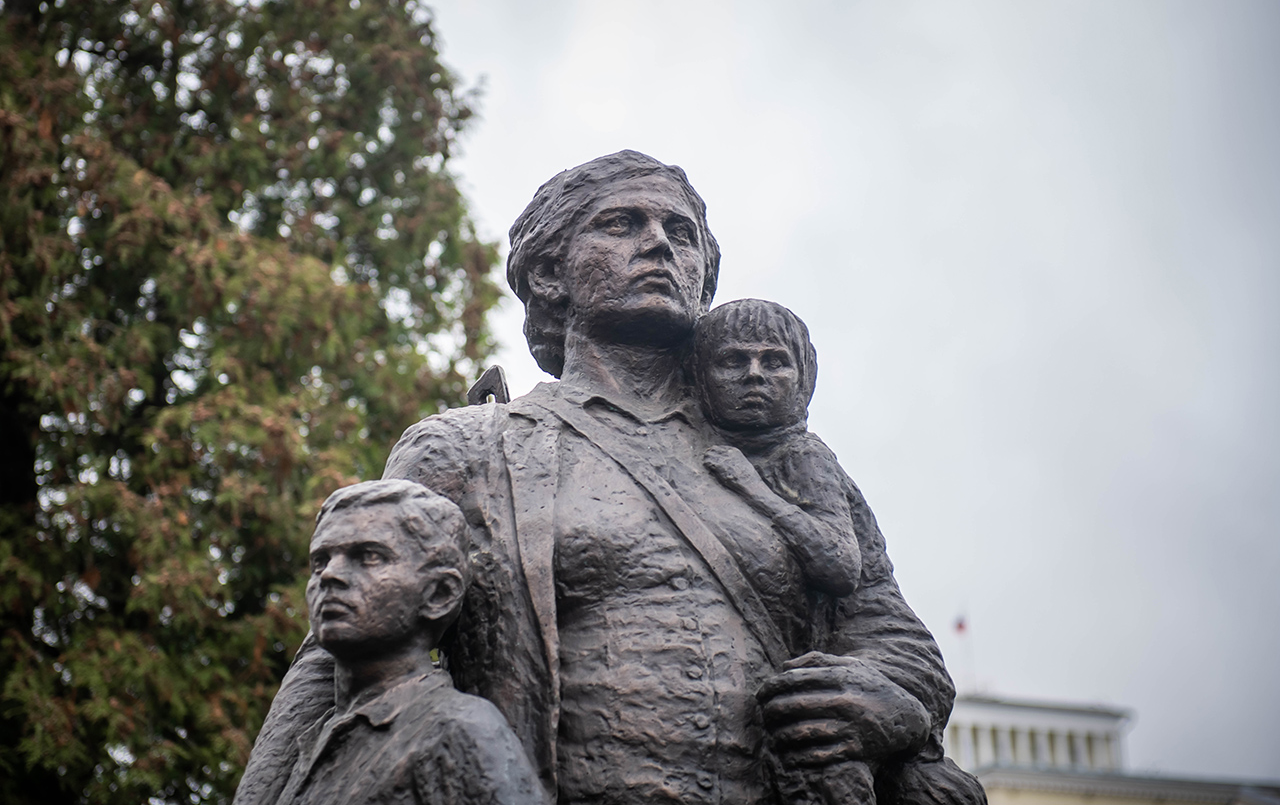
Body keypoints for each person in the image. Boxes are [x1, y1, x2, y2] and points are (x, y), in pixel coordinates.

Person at [235, 150, 984, 805]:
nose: (658, 242)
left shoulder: (788, 455)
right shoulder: (464, 449)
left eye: (680, 233)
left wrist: (883, 699)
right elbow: (338, 658)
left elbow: (894, 636)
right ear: (551, 271)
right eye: (622, 223)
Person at [273, 480, 544, 805]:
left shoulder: (461, 732)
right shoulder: (315, 739)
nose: (330, 574)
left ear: (439, 594)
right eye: (320, 561)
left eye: (368, 556)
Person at [693, 298, 862, 599]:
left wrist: (752, 489)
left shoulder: (804, 455)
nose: (754, 374)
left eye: (774, 362)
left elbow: (841, 565)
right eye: (733, 361)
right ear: (699, 376)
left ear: (803, 378)